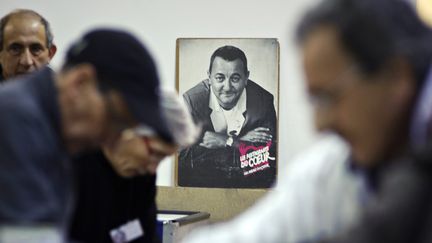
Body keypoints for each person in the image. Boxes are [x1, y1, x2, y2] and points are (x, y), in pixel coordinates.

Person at [0, 28, 174, 241]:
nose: (115, 138)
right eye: (116, 120)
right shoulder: (17, 120)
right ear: (80, 82)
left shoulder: (57, 134)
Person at [69, 90, 199, 243]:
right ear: (131, 129)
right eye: (154, 153)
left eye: (161, 159)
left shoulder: (141, 175)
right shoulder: (72, 160)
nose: (153, 168)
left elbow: (142, 231)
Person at [179, 45, 277, 188]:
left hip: (248, 187)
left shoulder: (263, 102)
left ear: (246, 78)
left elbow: (269, 160)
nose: (227, 87)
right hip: (204, 186)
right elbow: (182, 160)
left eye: (235, 78)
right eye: (220, 78)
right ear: (209, 77)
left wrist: (227, 141)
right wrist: (243, 142)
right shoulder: (191, 102)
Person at [0, 9, 56, 82]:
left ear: (50, 53)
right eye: (15, 49)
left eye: (36, 49)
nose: (27, 62)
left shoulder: (62, 90)